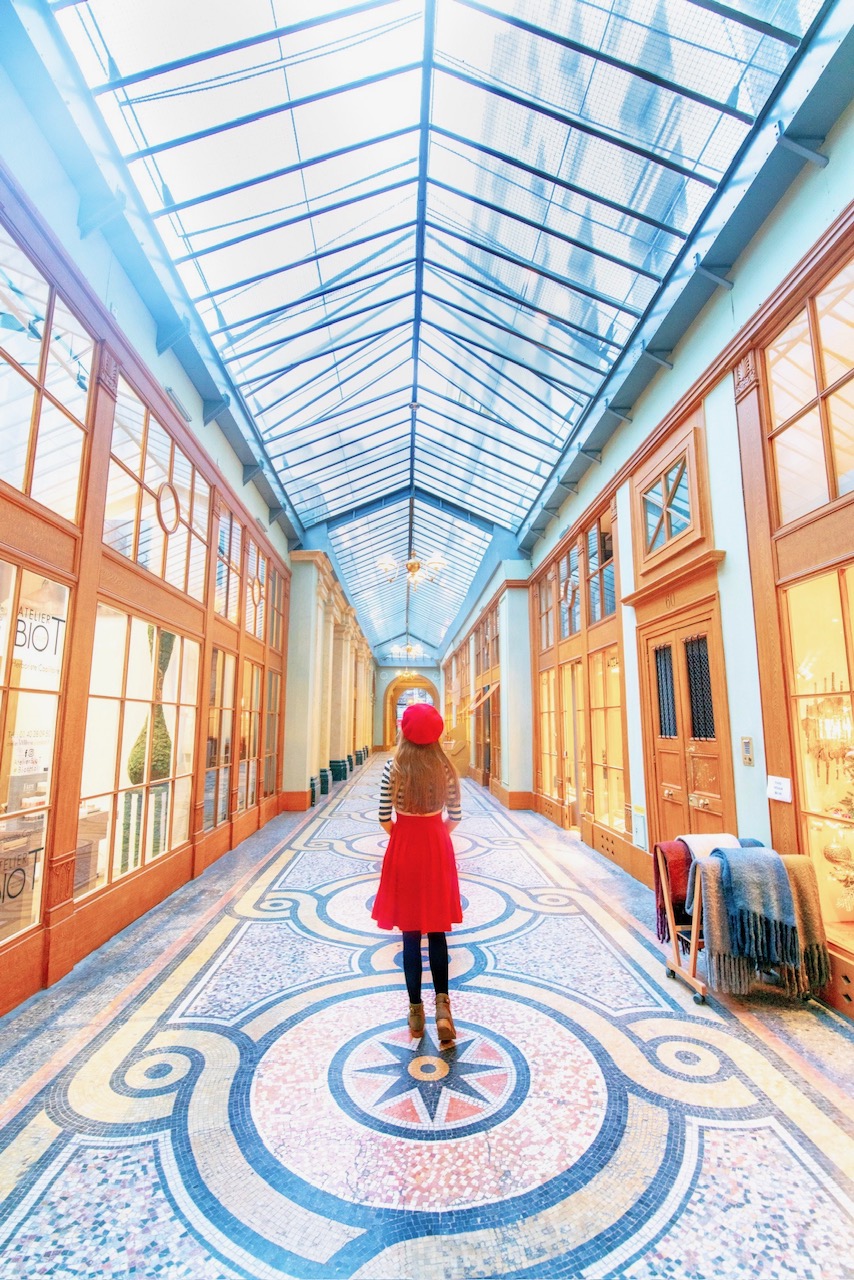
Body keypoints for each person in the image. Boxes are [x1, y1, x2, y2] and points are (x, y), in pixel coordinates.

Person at [372, 703, 463, 1044]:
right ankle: (443, 1009)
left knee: (410, 934)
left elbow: (383, 816)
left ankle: (415, 1011)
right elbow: (454, 815)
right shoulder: (445, 768)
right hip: (436, 845)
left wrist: (404, 838)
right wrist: (435, 835)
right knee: (437, 930)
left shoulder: (393, 767)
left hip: (404, 846)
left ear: (404, 731)